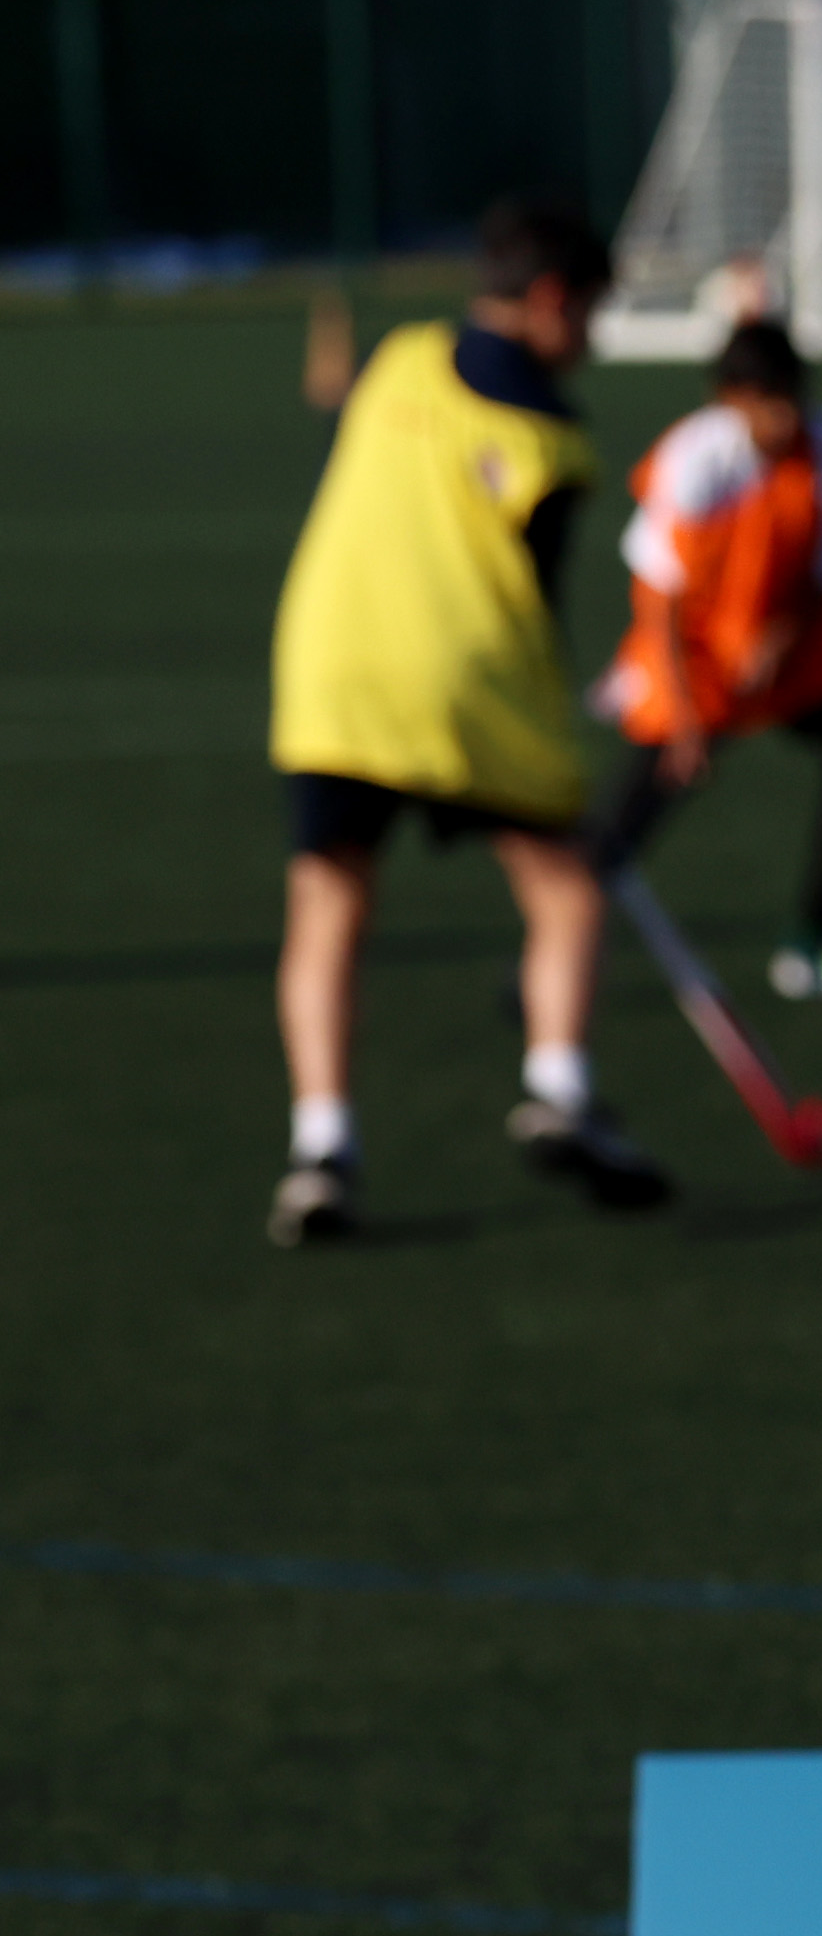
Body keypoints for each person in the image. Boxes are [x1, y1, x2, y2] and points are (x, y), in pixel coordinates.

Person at [263, 195, 670, 1245]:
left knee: (329, 903)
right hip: (463, 680)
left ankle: (320, 1149)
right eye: (587, 314)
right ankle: (560, 1086)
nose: (591, 340)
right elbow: (527, 603)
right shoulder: (553, 436)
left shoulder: (400, 356)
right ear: (545, 300)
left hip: (330, 667)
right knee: (567, 890)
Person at [585, 317, 822, 1005]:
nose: (782, 419)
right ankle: (554, 961)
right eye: (766, 404)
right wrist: (688, 717)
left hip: (793, 646)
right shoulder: (692, 460)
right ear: (728, 400)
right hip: (691, 653)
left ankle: (817, 940)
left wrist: (779, 642)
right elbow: (660, 600)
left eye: (792, 400)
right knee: (638, 806)